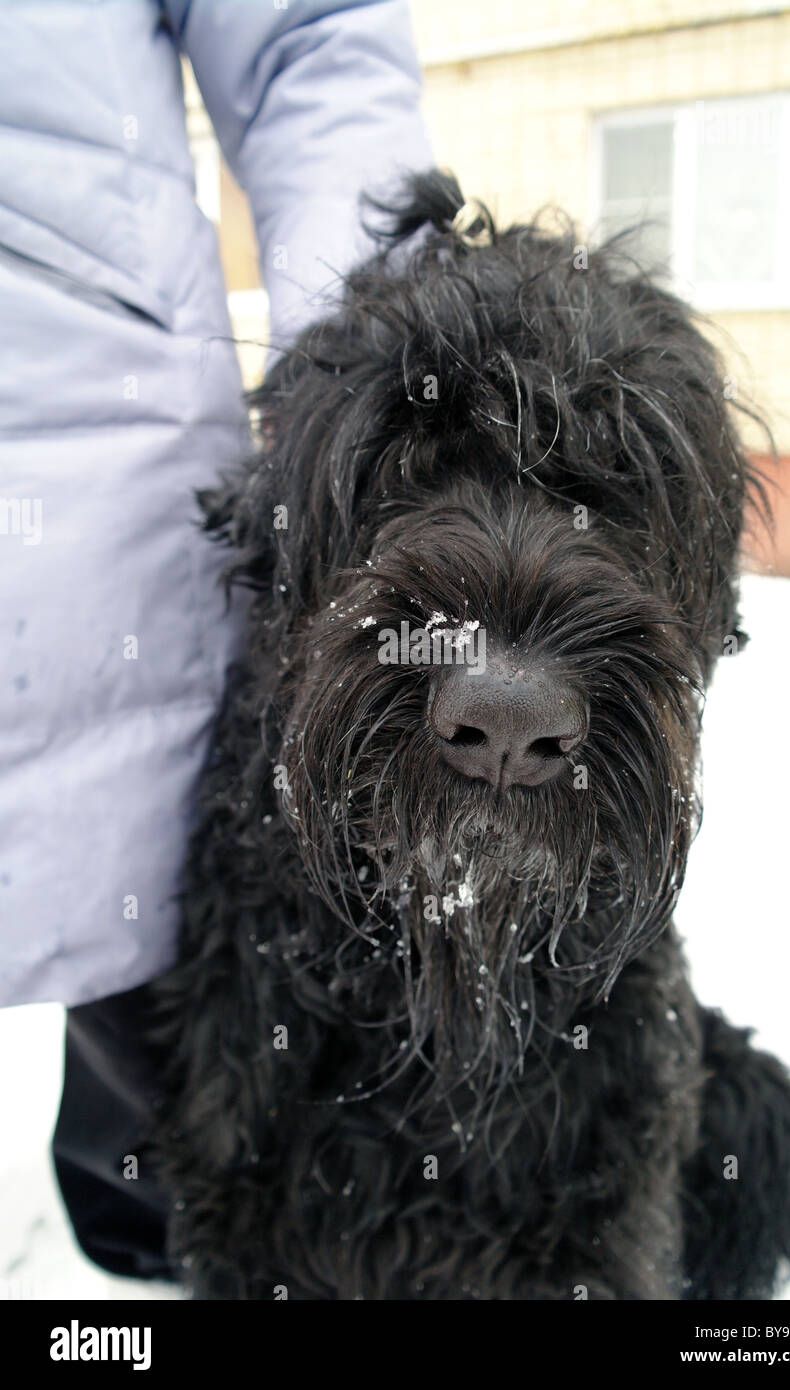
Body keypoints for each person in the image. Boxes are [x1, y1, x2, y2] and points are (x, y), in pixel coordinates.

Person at [0, 0, 431, 1281]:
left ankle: (150, 1252)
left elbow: (315, 41)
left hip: (91, 466)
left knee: (170, 1009)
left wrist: (362, 374)